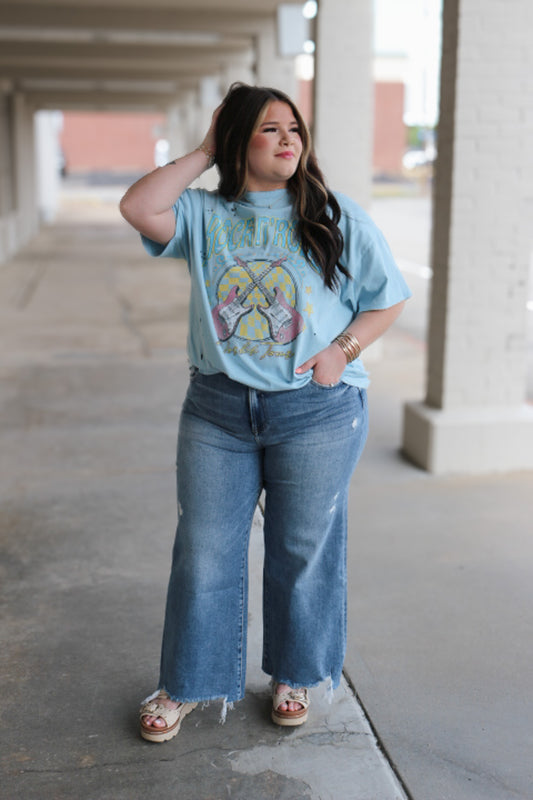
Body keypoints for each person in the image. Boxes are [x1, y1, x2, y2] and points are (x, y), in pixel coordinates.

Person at [120, 83, 411, 743]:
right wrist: (203, 148)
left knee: (302, 549)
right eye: (269, 129)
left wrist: (343, 349)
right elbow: (139, 205)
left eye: (294, 130)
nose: (288, 140)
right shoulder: (202, 215)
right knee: (203, 550)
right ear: (237, 141)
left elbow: (387, 298)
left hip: (315, 412)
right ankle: (189, 681)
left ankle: (295, 673)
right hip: (217, 411)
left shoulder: (332, 214)